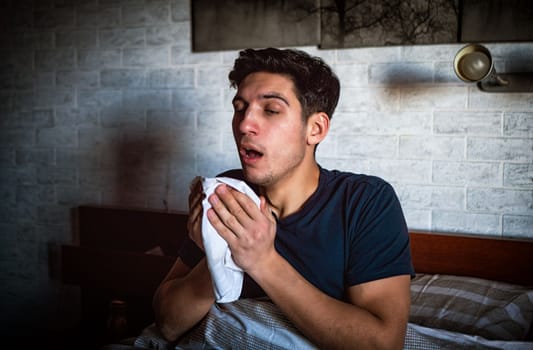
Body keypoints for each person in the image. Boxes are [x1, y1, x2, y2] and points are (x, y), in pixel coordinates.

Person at [153, 47, 414, 349]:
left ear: (315, 129)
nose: (244, 125)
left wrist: (262, 260)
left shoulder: (365, 201)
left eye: (271, 110)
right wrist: (217, 257)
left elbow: (383, 344)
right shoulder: (229, 192)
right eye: (240, 108)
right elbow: (168, 325)